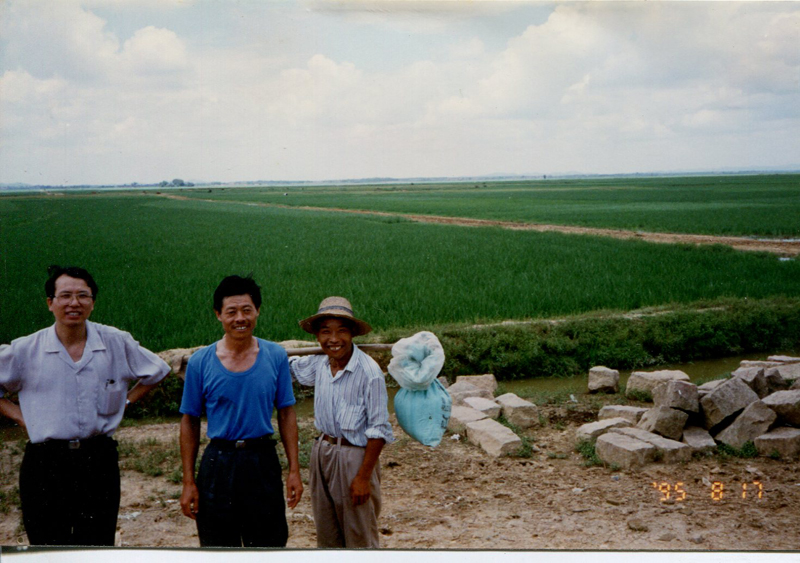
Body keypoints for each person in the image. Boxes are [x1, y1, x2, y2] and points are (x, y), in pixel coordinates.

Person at [0, 265, 171, 546]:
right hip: (45, 461)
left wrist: (126, 400)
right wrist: (21, 417)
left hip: (98, 458)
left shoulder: (115, 341)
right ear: (50, 303)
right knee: (47, 548)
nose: (74, 303)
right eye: (65, 296)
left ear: (92, 302)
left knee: (96, 546)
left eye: (82, 295)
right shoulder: (26, 349)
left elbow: (158, 370)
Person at [179, 275, 302, 547]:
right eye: (231, 312)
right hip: (218, 462)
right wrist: (188, 481)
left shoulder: (276, 356)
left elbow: (286, 412)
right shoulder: (200, 362)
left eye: (247, 310)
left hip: (262, 459)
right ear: (218, 314)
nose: (240, 318)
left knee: (268, 546)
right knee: (219, 547)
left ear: (257, 311)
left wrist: (294, 470)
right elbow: (189, 420)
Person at [290, 296, 393, 548]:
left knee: (359, 535)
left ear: (352, 334)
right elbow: (288, 367)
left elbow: (379, 430)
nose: (334, 339)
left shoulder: (369, 373)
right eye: (326, 332)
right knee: (327, 533)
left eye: (341, 331)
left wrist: (363, 478)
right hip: (322, 453)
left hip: (354, 458)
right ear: (317, 336)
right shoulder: (319, 363)